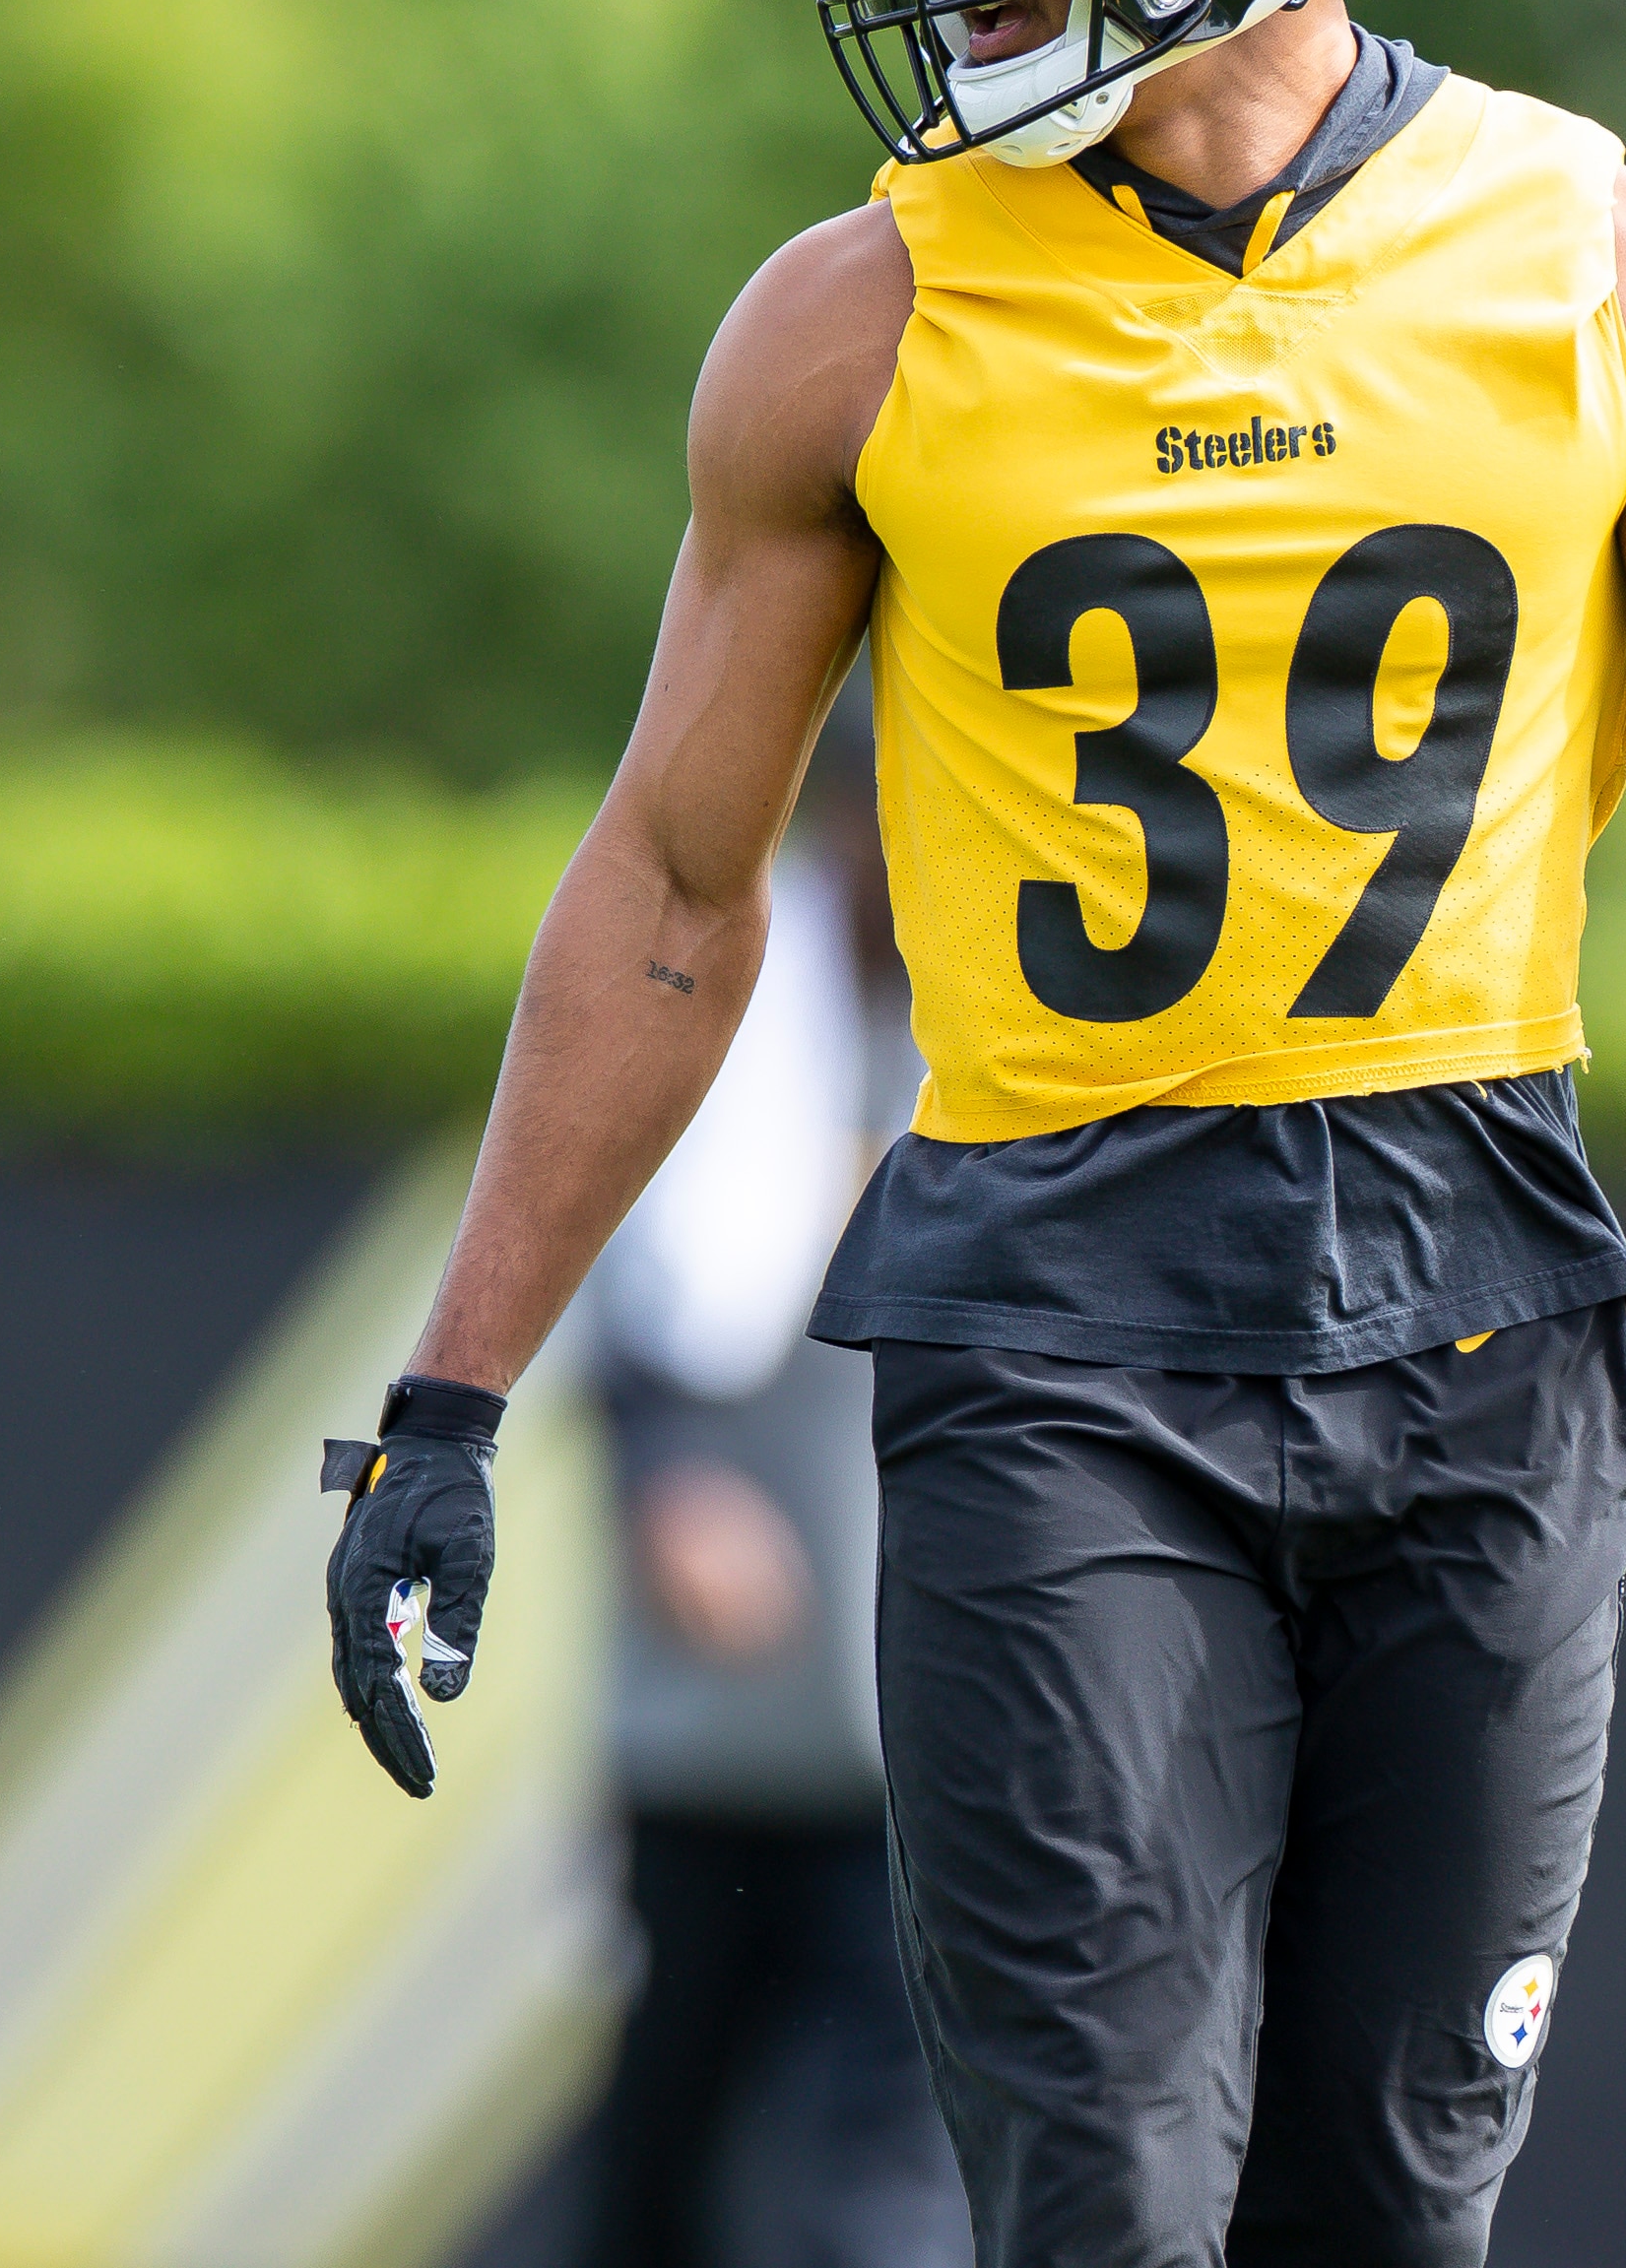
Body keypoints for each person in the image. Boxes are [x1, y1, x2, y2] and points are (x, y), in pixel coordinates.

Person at [316, 0, 1626, 2268]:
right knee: (1102, 2207)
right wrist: (458, 1392)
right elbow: (669, 886)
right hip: (1053, 1315)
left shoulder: (1608, 267)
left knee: (1391, 2213)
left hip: (1479, 1299)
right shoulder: (855, 319)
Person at [577, 732, 969, 2268]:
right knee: (662, 2146)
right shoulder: (729, 1017)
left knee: (889, 2170)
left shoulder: (1014, 1025)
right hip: (719, 1728)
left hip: (921, 1733)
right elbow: (634, 1292)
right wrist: (667, 1478)